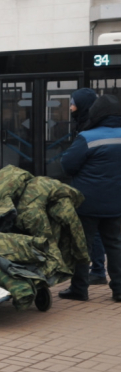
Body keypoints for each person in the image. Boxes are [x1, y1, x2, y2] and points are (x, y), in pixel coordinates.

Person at [60, 95, 121, 302]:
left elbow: (67, 164)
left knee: (82, 246)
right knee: (114, 245)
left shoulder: (87, 137)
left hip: (88, 202)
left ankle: (79, 289)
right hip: (116, 202)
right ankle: (119, 290)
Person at [70, 88, 106, 285]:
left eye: (73, 103)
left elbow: (70, 163)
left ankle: (91, 275)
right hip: (105, 191)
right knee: (106, 236)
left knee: (89, 235)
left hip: (91, 191)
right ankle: (100, 271)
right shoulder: (91, 125)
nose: (70, 107)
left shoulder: (87, 130)